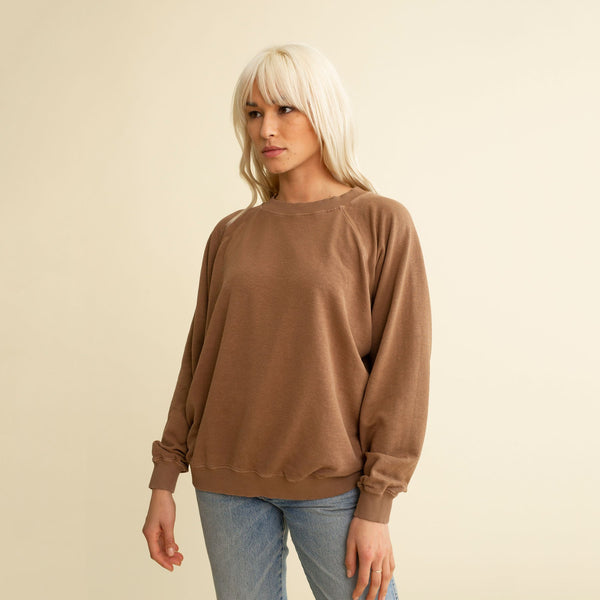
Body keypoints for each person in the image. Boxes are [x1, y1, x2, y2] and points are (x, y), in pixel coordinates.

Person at [142, 42, 432, 600]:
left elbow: (402, 372)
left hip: (332, 485)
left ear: (323, 111)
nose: (266, 129)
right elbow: (199, 360)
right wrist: (165, 477)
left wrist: (377, 505)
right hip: (225, 482)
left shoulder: (380, 222)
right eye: (254, 113)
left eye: (284, 109)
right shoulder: (231, 233)